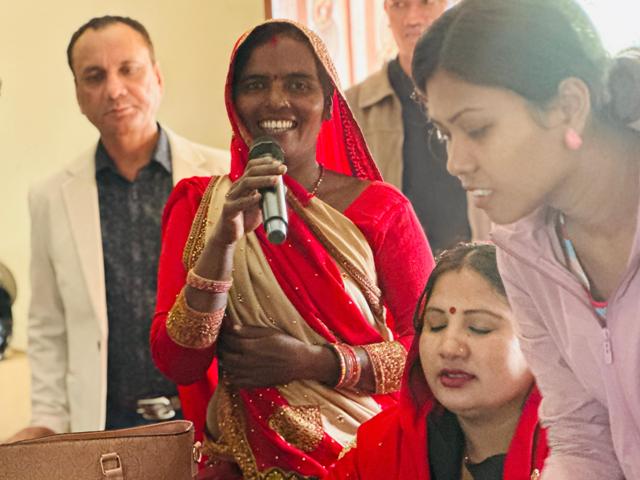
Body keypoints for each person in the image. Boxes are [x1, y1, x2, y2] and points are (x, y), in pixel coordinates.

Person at [150, 19, 433, 479]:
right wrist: (222, 242)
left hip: (366, 459)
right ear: (234, 102)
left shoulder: (384, 211)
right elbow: (178, 361)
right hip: (241, 465)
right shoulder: (200, 206)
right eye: (255, 85)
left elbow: (429, 352)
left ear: (328, 104)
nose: (276, 101)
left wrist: (319, 361)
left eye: (298, 84)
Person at [411, 0, 640, 477]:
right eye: (445, 134)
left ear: (569, 106)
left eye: (477, 129)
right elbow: (583, 438)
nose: (456, 163)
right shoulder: (523, 250)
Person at [8, 15, 229, 442]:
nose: (114, 90)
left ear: (157, 77)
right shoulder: (51, 197)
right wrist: (48, 419)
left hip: (211, 418)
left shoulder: (221, 175)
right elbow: (48, 325)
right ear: (78, 94)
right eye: (95, 76)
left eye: (129, 70)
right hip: (106, 426)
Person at [326, 243, 548, 480]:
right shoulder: (384, 446)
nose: (448, 348)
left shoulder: (573, 452)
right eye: (436, 325)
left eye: (479, 327)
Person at [346, 0, 490, 253]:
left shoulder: (487, 94)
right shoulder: (354, 106)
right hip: (393, 268)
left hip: (477, 262)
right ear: (386, 11)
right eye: (400, 4)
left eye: (425, 3)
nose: (412, 18)